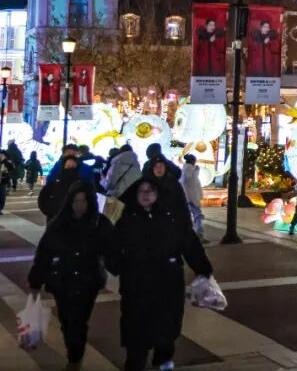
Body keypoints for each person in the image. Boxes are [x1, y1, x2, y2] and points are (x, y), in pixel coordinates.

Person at [108, 175, 213, 371]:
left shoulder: (171, 218)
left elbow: (189, 244)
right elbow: (111, 247)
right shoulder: (126, 220)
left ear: (158, 194)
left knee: (166, 328)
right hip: (136, 285)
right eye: (142, 191)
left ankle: (163, 360)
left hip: (167, 283)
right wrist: (121, 267)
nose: (146, 194)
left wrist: (203, 269)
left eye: (150, 190)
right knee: (136, 331)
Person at [28, 179, 112, 369]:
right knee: (67, 321)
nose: (80, 205)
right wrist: (35, 281)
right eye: (76, 201)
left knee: (79, 321)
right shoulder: (59, 223)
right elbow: (44, 254)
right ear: (70, 201)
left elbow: (112, 250)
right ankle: (74, 353)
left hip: (88, 280)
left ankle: (75, 358)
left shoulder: (99, 223)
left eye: (83, 201)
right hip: (62, 280)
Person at [180, 154, 206, 241]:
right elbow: (192, 184)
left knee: (193, 215)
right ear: (192, 161)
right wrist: (196, 171)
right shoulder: (190, 170)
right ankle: (199, 234)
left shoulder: (187, 169)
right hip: (192, 197)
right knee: (197, 215)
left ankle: (194, 233)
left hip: (189, 197)